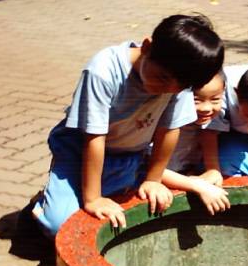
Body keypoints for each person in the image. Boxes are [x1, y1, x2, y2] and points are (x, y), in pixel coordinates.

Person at [31, 14, 224, 236]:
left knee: (134, 204)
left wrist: (153, 180)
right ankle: (40, 207)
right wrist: (93, 199)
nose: (169, 90)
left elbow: (169, 129)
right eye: (162, 78)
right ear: (147, 47)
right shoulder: (103, 71)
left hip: (131, 154)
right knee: (60, 226)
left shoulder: (179, 80)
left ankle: (75, 194)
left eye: (180, 87)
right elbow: (94, 139)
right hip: (81, 151)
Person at [161, 71, 231, 215]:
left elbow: (209, 134)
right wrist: (198, 186)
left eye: (215, 100)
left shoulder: (213, 117)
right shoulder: (165, 121)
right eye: (196, 100)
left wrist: (213, 170)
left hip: (185, 171)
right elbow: (150, 170)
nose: (206, 108)